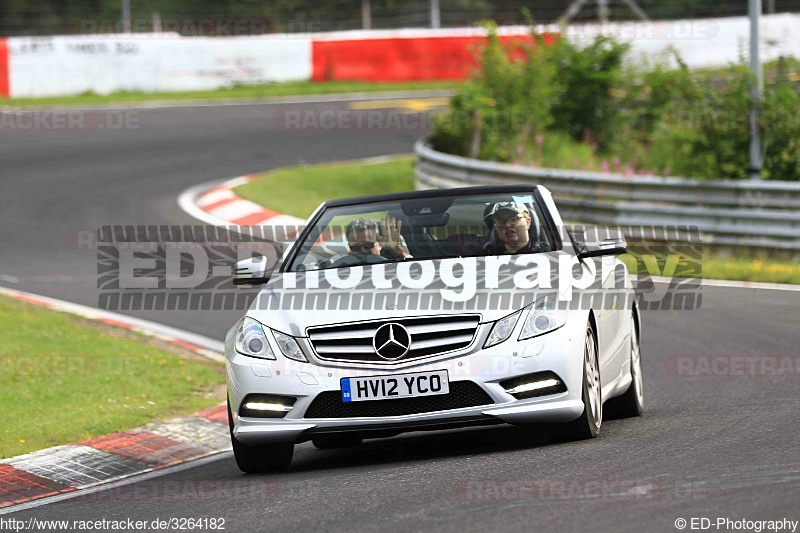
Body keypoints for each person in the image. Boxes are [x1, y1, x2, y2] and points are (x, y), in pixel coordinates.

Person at [339, 215, 410, 264]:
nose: (363, 250)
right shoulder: (340, 264)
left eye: (368, 245)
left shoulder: (393, 260)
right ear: (349, 247)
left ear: (380, 244)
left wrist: (397, 252)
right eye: (355, 247)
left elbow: (414, 268)